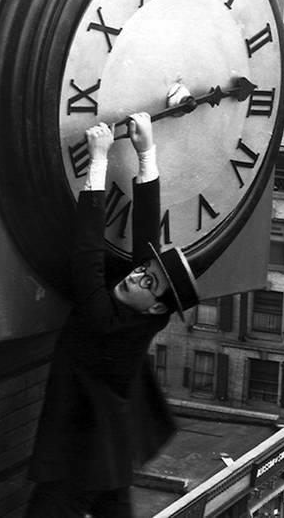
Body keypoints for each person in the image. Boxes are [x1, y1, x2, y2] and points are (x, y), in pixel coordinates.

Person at [26, 114, 201, 518]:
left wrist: (99, 161)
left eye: (147, 281)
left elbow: (86, 257)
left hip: (79, 463)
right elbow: (147, 244)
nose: (137, 275)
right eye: (144, 271)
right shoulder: (146, 312)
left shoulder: (106, 322)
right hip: (109, 451)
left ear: (158, 306)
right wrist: (146, 153)